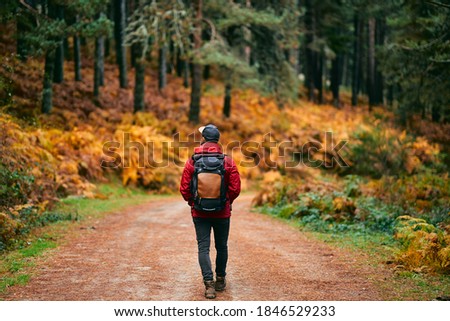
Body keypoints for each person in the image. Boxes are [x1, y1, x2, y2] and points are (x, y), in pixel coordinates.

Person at [180, 124, 241, 299]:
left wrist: (193, 202)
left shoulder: (193, 160)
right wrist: (226, 201)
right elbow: (235, 188)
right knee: (222, 246)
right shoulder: (227, 161)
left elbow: (184, 188)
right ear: (218, 140)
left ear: (204, 139)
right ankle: (220, 279)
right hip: (222, 212)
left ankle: (209, 285)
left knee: (203, 248)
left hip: (200, 213)